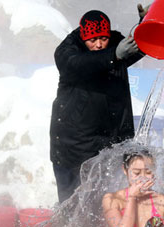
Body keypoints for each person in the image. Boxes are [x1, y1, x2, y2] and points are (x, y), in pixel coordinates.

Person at [49, 8, 146, 203]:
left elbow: (138, 46)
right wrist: (114, 56)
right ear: (84, 37)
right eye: (93, 40)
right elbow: (82, 64)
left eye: (103, 38)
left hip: (106, 141)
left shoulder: (114, 45)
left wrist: (147, 24)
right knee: (72, 204)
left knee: (104, 203)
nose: (99, 45)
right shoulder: (68, 52)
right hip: (72, 148)